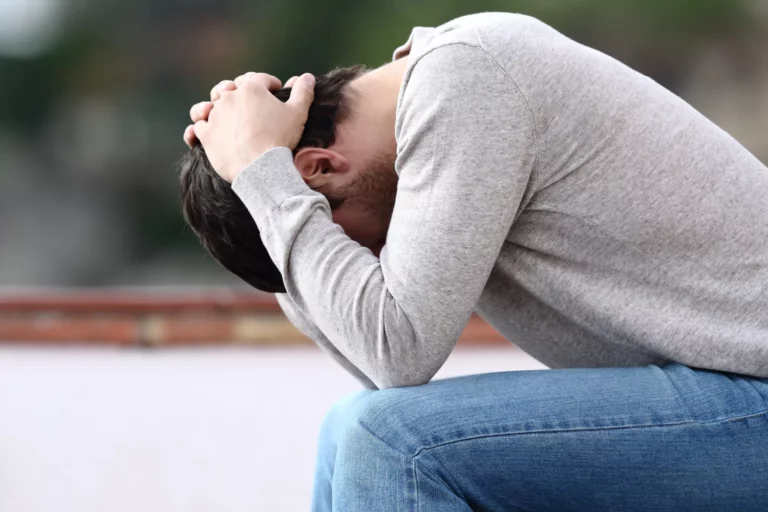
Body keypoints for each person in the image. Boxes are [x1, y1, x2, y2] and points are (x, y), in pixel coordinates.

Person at [180, 12, 768, 511]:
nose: (367, 266)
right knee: (348, 426)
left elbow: (396, 350)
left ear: (320, 168)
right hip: (722, 395)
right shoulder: (440, 105)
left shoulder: (466, 82)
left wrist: (265, 175)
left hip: (753, 392)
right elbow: (374, 365)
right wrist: (260, 180)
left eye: (347, 246)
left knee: (389, 441)